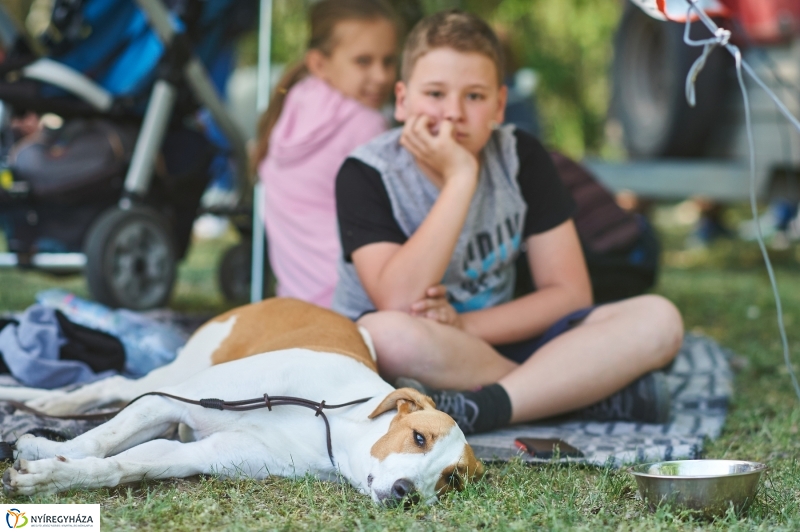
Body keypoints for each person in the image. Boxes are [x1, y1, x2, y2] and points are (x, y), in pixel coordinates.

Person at [332, 11, 684, 435]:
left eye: (474, 96)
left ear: (499, 104)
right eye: (435, 93)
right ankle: (574, 391)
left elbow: (570, 293)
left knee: (660, 318)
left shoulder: (522, 158)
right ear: (403, 100)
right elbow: (400, 301)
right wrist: (460, 180)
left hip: (496, 335)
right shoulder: (366, 173)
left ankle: (491, 404)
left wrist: (467, 324)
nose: (454, 113)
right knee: (384, 334)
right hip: (429, 348)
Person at [255, 0, 399, 307]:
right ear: (319, 64)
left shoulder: (293, 106)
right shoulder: (365, 124)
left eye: (388, 61)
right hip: (354, 299)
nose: (381, 76)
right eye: (363, 61)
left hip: (297, 300)